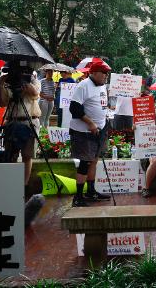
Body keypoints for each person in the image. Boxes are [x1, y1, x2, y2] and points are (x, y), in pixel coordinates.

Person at [68, 61, 112, 207]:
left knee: (94, 160)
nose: (106, 75)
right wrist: (90, 123)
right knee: (85, 163)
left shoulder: (102, 86)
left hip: (100, 129)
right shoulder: (83, 85)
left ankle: (91, 191)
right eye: (103, 72)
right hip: (84, 131)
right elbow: (74, 109)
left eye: (107, 73)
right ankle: (78, 196)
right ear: (93, 73)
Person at [0, 63, 42, 191]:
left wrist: (24, 81)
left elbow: (34, 94)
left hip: (30, 122)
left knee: (27, 156)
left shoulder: (33, 80)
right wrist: (1, 84)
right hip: (12, 122)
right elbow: (2, 103)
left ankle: (24, 185)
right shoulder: (8, 83)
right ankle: (11, 184)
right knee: (11, 155)